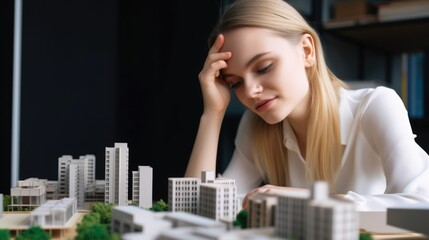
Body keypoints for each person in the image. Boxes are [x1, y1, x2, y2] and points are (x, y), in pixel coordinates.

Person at [185, 0, 429, 211]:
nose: (249, 91)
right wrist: (213, 114)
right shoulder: (257, 125)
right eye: (235, 82)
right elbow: (193, 209)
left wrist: (310, 200)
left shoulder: (376, 106)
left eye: (264, 67)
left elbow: (420, 205)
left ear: (306, 50)